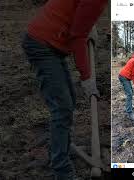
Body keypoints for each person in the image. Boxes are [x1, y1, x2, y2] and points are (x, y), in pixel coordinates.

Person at [21, 0, 107, 179]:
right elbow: (77, 37)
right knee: (62, 108)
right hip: (42, 43)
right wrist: (86, 77)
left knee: (68, 103)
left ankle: (63, 147)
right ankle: (62, 170)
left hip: (52, 42)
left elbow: (78, 19)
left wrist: (86, 27)